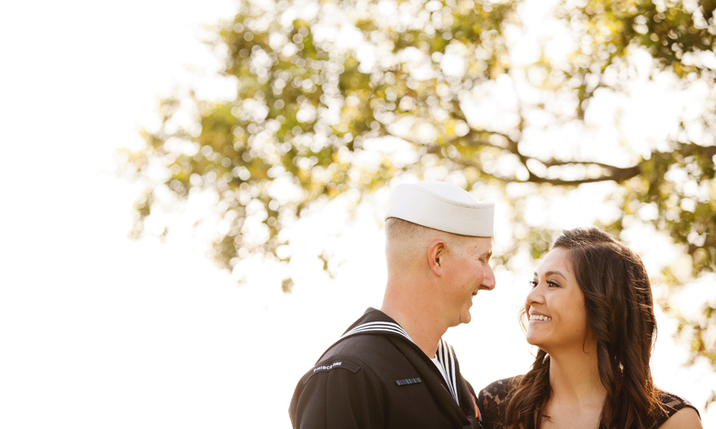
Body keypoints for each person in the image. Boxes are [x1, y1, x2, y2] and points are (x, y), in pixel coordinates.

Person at [288, 181, 496, 428]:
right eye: (482, 259)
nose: (490, 281)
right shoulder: (347, 376)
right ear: (437, 257)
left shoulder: (448, 373)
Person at [478, 227, 702, 429]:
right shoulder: (497, 405)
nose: (532, 297)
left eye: (553, 283)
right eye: (534, 283)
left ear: (605, 306)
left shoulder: (672, 420)